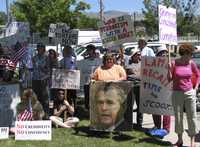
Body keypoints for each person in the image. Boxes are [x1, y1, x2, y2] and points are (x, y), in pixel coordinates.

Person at [168, 44, 199, 147]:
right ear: (185, 53)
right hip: (177, 93)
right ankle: (180, 140)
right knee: (178, 117)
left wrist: (196, 88)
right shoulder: (174, 63)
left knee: (192, 117)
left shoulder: (191, 63)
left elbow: (198, 75)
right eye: (191, 54)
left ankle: (192, 141)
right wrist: (169, 69)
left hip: (190, 92)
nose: (192, 56)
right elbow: (169, 79)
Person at [152, 46, 171, 133]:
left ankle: (166, 129)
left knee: (166, 109)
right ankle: (157, 126)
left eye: (165, 53)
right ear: (158, 55)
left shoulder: (171, 64)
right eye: (162, 53)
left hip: (167, 89)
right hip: (155, 89)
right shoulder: (153, 64)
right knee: (155, 108)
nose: (164, 54)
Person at [126, 49, 143, 129]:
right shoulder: (128, 63)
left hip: (140, 86)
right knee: (130, 105)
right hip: (131, 85)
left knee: (140, 105)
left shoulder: (143, 64)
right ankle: (128, 123)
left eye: (139, 54)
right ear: (133, 55)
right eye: (137, 54)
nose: (139, 56)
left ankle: (139, 123)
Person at [32, 43, 49, 117]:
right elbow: (32, 68)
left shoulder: (47, 58)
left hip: (43, 79)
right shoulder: (34, 58)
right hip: (35, 79)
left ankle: (46, 114)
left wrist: (41, 67)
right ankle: (37, 114)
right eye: (38, 48)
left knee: (44, 98)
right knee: (36, 98)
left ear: (43, 49)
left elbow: (48, 70)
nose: (39, 49)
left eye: (40, 48)